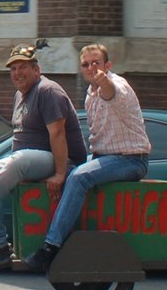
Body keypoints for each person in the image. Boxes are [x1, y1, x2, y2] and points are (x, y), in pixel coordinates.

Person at [0, 44, 86, 274]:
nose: (17, 73)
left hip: (58, 159)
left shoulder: (48, 91)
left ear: (37, 69)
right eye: (13, 69)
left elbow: (57, 133)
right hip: (29, 158)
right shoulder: (21, 95)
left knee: (19, 161)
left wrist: (59, 173)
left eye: (23, 67)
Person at [25, 43, 152, 273]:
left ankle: (50, 247)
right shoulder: (89, 95)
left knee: (79, 178)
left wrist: (104, 80)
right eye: (86, 64)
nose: (91, 68)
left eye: (96, 63)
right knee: (70, 173)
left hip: (131, 160)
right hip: (106, 157)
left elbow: (111, 91)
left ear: (108, 65)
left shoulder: (117, 85)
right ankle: (72, 235)